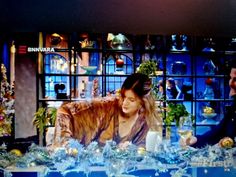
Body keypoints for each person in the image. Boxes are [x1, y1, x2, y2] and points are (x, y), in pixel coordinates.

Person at [52, 73, 162, 148]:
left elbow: (142, 151)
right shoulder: (106, 106)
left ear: (142, 103)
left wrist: (132, 151)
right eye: (123, 96)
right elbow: (64, 111)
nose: (124, 103)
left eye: (131, 100)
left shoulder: (144, 121)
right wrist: (65, 143)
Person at [188, 63, 236, 148]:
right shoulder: (234, 107)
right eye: (231, 78)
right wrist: (196, 140)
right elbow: (219, 131)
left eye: (235, 79)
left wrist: (228, 143)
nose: (231, 83)